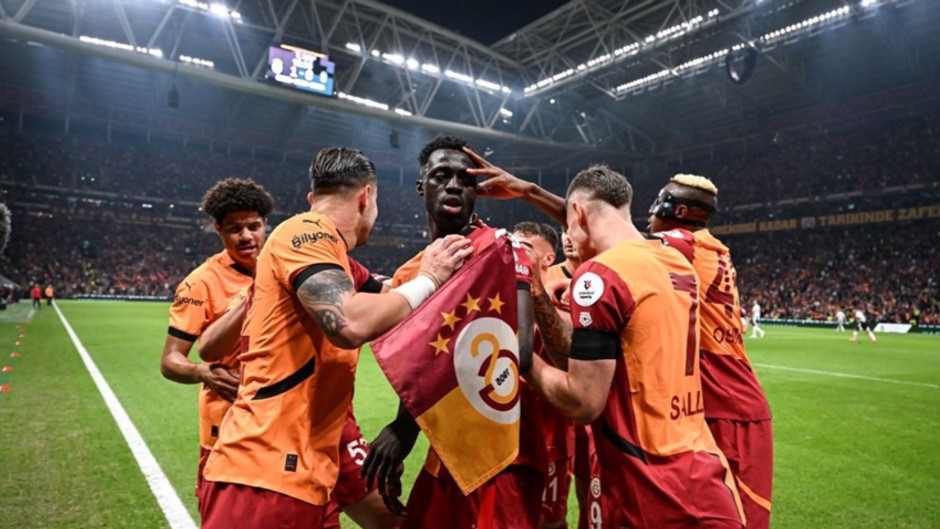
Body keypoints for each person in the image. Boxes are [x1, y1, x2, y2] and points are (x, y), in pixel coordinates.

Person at [200, 147, 471, 529]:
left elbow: (397, 298)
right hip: (264, 474)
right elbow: (348, 323)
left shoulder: (338, 260)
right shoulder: (305, 231)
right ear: (366, 197)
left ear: (313, 196)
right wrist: (430, 277)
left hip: (308, 473)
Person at [512, 164, 745, 528]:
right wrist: (543, 298)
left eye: (569, 225)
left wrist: (523, 358)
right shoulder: (676, 261)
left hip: (647, 483)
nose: (570, 237)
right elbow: (603, 349)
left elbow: (582, 402)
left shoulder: (602, 273)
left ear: (578, 213)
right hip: (706, 472)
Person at [361, 135, 538, 529]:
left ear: (477, 192)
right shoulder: (410, 274)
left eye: (466, 179)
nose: (455, 185)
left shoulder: (500, 250)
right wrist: (404, 436)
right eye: (442, 175)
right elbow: (416, 366)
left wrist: (403, 429)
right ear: (421, 185)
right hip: (445, 452)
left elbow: (518, 351)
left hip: (500, 456)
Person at [196, 260, 403, 529]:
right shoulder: (271, 281)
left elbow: (395, 295)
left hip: (336, 430)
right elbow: (208, 349)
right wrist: (258, 292)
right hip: (277, 435)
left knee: (392, 521)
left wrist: (403, 432)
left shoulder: (352, 275)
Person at [648, 174, 774, 529]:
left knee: (739, 521)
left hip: (729, 405)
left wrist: (533, 192)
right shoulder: (709, 248)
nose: (649, 210)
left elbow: (608, 233)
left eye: (658, 201)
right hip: (710, 403)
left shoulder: (683, 244)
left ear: (678, 211)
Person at [159, 178, 274, 502]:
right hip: (226, 418)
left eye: (254, 226)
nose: (246, 236)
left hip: (277, 418)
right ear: (218, 229)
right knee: (226, 514)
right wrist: (202, 372)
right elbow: (170, 360)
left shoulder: (282, 269)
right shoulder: (201, 282)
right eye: (235, 229)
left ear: (266, 225)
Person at [511, 222, 577, 529]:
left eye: (524, 247)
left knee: (549, 521)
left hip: (549, 433)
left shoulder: (566, 296)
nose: (515, 251)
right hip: (503, 432)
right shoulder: (497, 293)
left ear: (549, 258)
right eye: (512, 244)